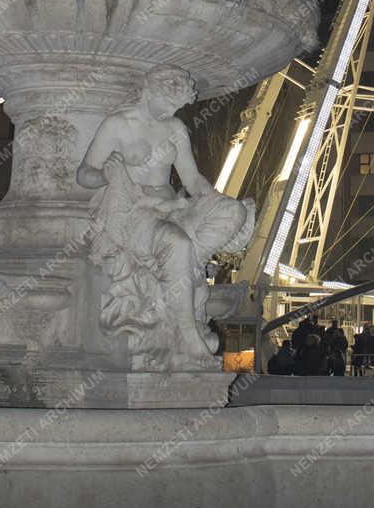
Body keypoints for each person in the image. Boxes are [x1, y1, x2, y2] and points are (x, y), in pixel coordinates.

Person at [76, 67, 252, 368]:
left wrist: (212, 199)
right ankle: (187, 332)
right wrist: (106, 173)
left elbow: (192, 179)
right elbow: (84, 174)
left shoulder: (174, 128)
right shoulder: (118, 125)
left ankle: (179, 270)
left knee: (234, 211)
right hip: (132, 209)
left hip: (169, 205)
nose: (172, 112)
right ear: (149, 91)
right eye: (168, 105)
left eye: (177, 108)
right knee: (176, 243)